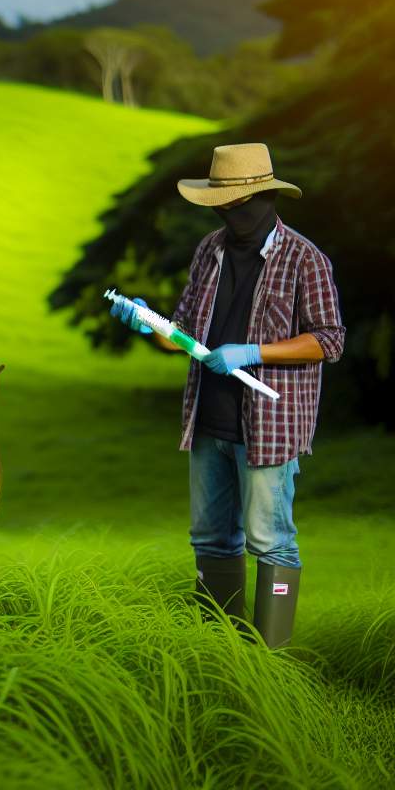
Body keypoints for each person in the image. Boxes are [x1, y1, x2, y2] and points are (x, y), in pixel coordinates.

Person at [110, 142, 345, 647]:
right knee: (212, 539)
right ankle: (219, 651)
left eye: (233, 203)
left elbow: (329, 341)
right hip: (208, 419)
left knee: (270, 542)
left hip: (269, 429)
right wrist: (147, 321)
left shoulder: (305, 260)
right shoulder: (210, 251)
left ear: (261, 197)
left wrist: (252, 352)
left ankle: (271, 659)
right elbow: (183, 332)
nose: (225, 213)